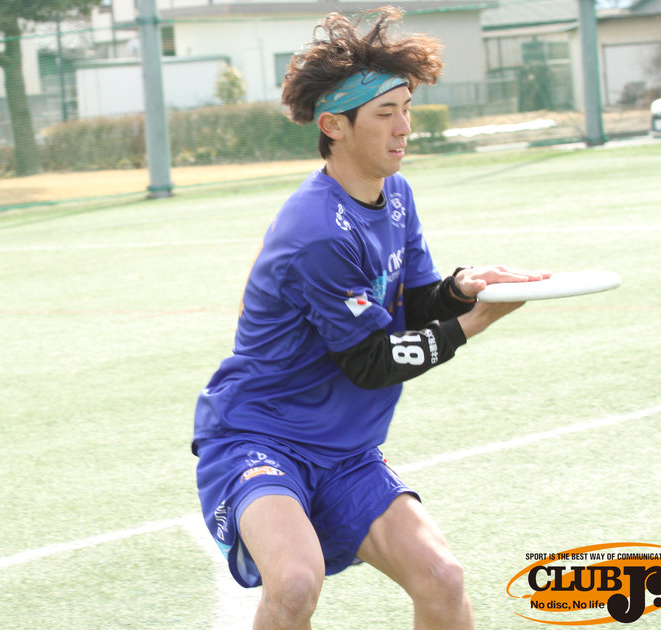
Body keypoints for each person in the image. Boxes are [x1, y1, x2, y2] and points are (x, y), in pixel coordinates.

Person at [192, 9, 548, 629]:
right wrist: (474, 323)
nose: (404, 127)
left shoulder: (397, 196)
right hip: (260, 436)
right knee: (294, 582)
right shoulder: (317, 232)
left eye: (406, 109)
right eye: (385, 113)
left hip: (347, 449)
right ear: (334, 126)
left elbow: (414, 303)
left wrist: (463, 287)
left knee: (442, 578)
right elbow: (372, 362)